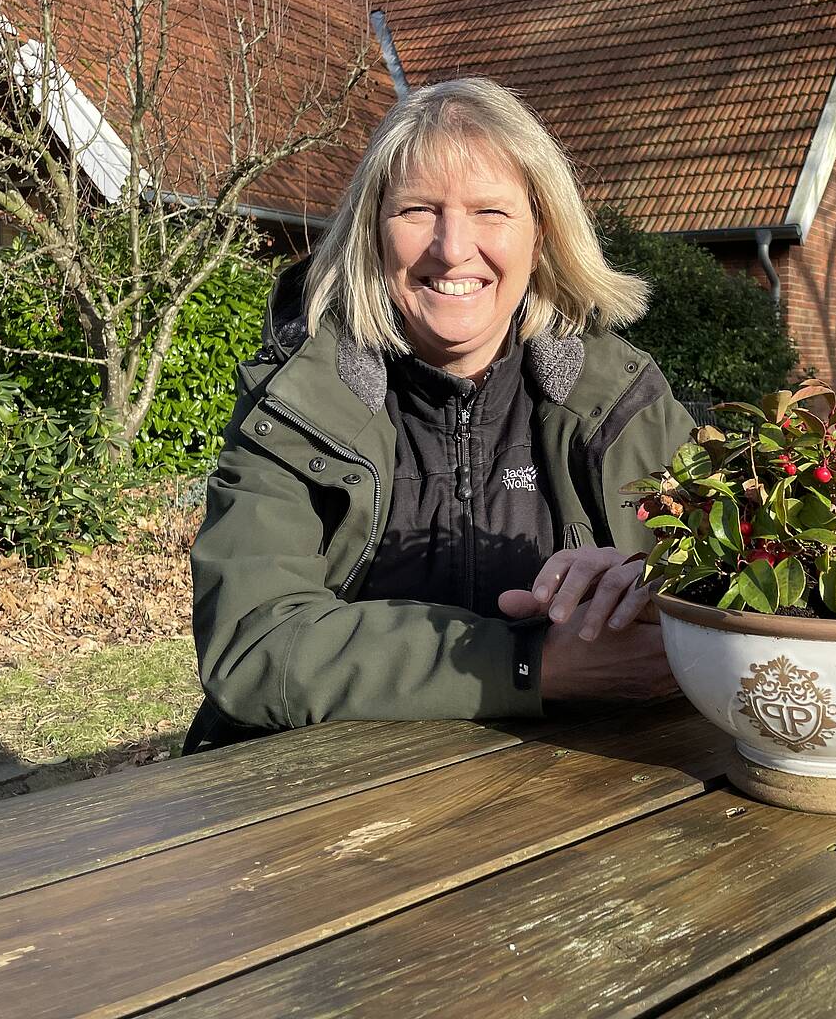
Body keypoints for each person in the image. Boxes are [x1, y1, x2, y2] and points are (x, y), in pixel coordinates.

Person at [183, 76, 697, 754]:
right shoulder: (296, 402)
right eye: (418, 210)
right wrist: (529, 664)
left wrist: (652, 594)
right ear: (374, 233)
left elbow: (745, 598)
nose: (453, 249)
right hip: (314, 807)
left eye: (492, 212)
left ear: (540, 236)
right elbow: (254, 646)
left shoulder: (625, 402)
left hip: (578, 791)